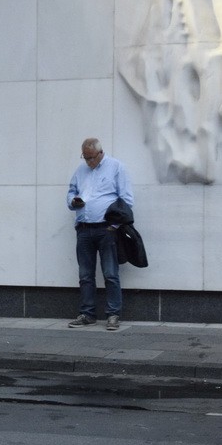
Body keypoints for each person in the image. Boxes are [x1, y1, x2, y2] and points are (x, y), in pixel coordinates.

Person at [66, 137, 134, 331]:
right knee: (85, 274)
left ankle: (113, 314)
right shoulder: (80, 171)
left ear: (100, 153)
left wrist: (114, 225)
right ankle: (87, 314)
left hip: (106, 229)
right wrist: (73, 201)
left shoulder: (116, 167)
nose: (88, 161)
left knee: (110, 273)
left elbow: (126, 200)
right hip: (84, 228)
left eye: (90, 157)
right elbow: (71, 192)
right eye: (85, 157)